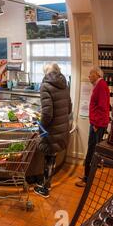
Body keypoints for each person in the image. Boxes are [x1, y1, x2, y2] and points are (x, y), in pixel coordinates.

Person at [34, 63, 72, 198]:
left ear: (47, 73)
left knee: (48, 157)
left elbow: (47, 113)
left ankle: (45, 188)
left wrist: (40, 127)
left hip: (51, 129)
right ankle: (46, 183)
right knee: (52, 156)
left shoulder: (45, 86)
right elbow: (69, 108)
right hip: (61, 127)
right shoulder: (65, 85)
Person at [76, 67, 110, 188]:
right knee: (92, 150)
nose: (89, 76)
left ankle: (87, 179)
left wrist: (96, 124)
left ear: (97, 74)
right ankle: (87, 176)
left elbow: (102, 107)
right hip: (97, 123)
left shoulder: (100, 86)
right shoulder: (100, 85)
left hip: (97, 124)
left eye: (91, 73)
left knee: (92, 151)